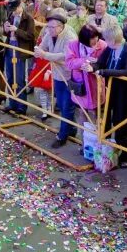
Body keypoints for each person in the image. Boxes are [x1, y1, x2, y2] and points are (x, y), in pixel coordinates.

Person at [93, 26, 127, 168]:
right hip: (112, 89)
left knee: (122, 123)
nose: (104, 42)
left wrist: (104, 72)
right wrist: (93, 66)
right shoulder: (110, 48)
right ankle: (108, 150)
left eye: (106, 39)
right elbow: (100, 62)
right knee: (107, 119)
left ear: (113, 40)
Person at [35, 9, 78, 148]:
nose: (50, 29)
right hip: (57, 73)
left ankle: (63, 135)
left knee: (66, 105)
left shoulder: (70, 36)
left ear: (61, 26)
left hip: (69, 74)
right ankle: (71, 128)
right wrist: (38, 50)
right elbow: (43, 46)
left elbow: (65, 55)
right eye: (48, 26)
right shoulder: (50, 32)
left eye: (53, 27)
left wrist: (44, 55)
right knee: (61, 102)